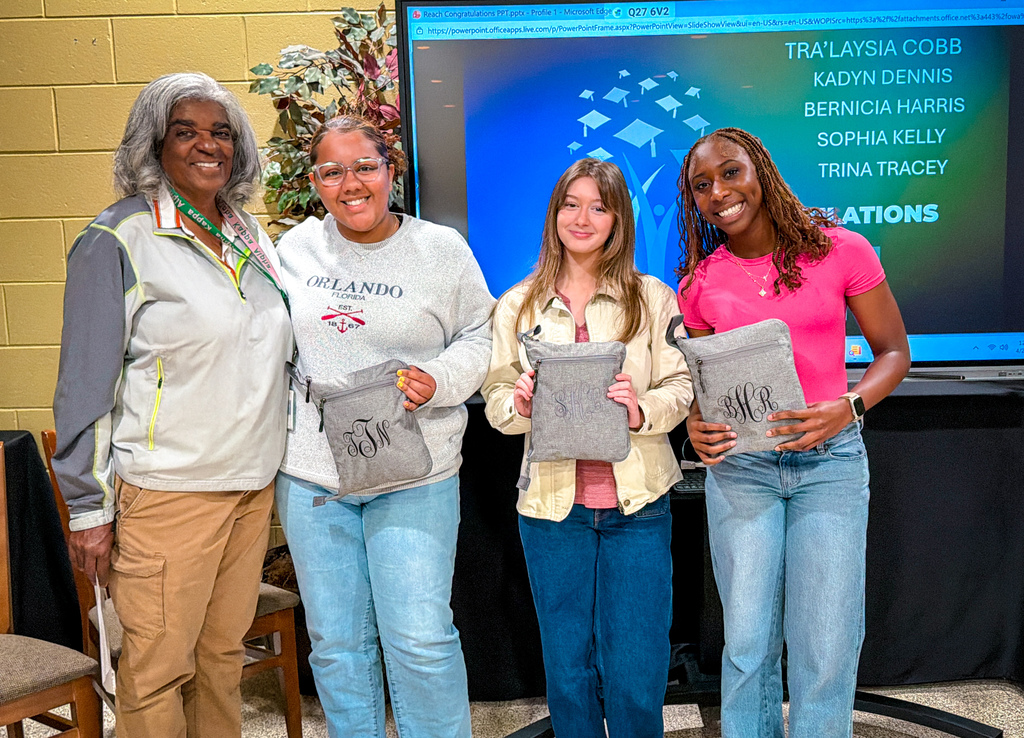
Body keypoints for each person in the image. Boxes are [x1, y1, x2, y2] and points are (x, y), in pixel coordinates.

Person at [51, 72, 292, 737]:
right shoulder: (117, 239)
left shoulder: (245, 231)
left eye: (220, 132)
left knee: (219, 658)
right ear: (155, 144)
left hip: (250, 488)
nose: (206, 145)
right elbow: (83, 384)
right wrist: (88, 509)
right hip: (169, 493)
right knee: (158, 669)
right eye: (185, 131)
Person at [676, 127, 911, 738]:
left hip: (830, 464)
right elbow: (709, 392)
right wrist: (698, 428)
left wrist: (849, 407)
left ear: (762, 170)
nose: (718, 192)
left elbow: (893, 353)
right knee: (748, 642)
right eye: (702, 185)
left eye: (730, 172)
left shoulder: (842, 250)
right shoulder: (701, 282)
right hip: (743, 470)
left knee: (827, 642)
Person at [273, 115, 493, 738]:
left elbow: (480, 336)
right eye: (332, 172)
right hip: (314, 478)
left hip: (413, 474)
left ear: (390, 171)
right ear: (315, 182)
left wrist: (439, 381)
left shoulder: (441, 250)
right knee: (337, 645)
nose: (351, 184)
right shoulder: (294, 252)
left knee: (420, 639)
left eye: (365, 167)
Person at [481, 158, 693, 738]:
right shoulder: (517, 305)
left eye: (599, 206)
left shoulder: (652, 299)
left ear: (618, 218)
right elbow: (496, 396)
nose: (583, 217)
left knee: (637, 664)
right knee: (568, 665)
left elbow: (680, 385)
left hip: (638, 507)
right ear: (554, 215)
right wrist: (519, 405)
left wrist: (639, 409)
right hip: (552, 511)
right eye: (571, 204)